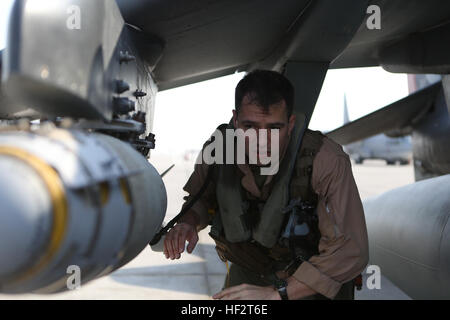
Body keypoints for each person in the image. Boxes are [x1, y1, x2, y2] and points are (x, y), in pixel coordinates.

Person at [163, 70, 369, 300]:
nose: (262, 140)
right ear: (235, 120)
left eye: (273, 128)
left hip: (310, 280)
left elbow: (350, 250)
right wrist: (188, 223)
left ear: (290, 124)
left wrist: (276, 294)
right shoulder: (219, 151)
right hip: (250, 271)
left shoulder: (325, 160)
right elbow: (201, 199)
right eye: (250, 127)